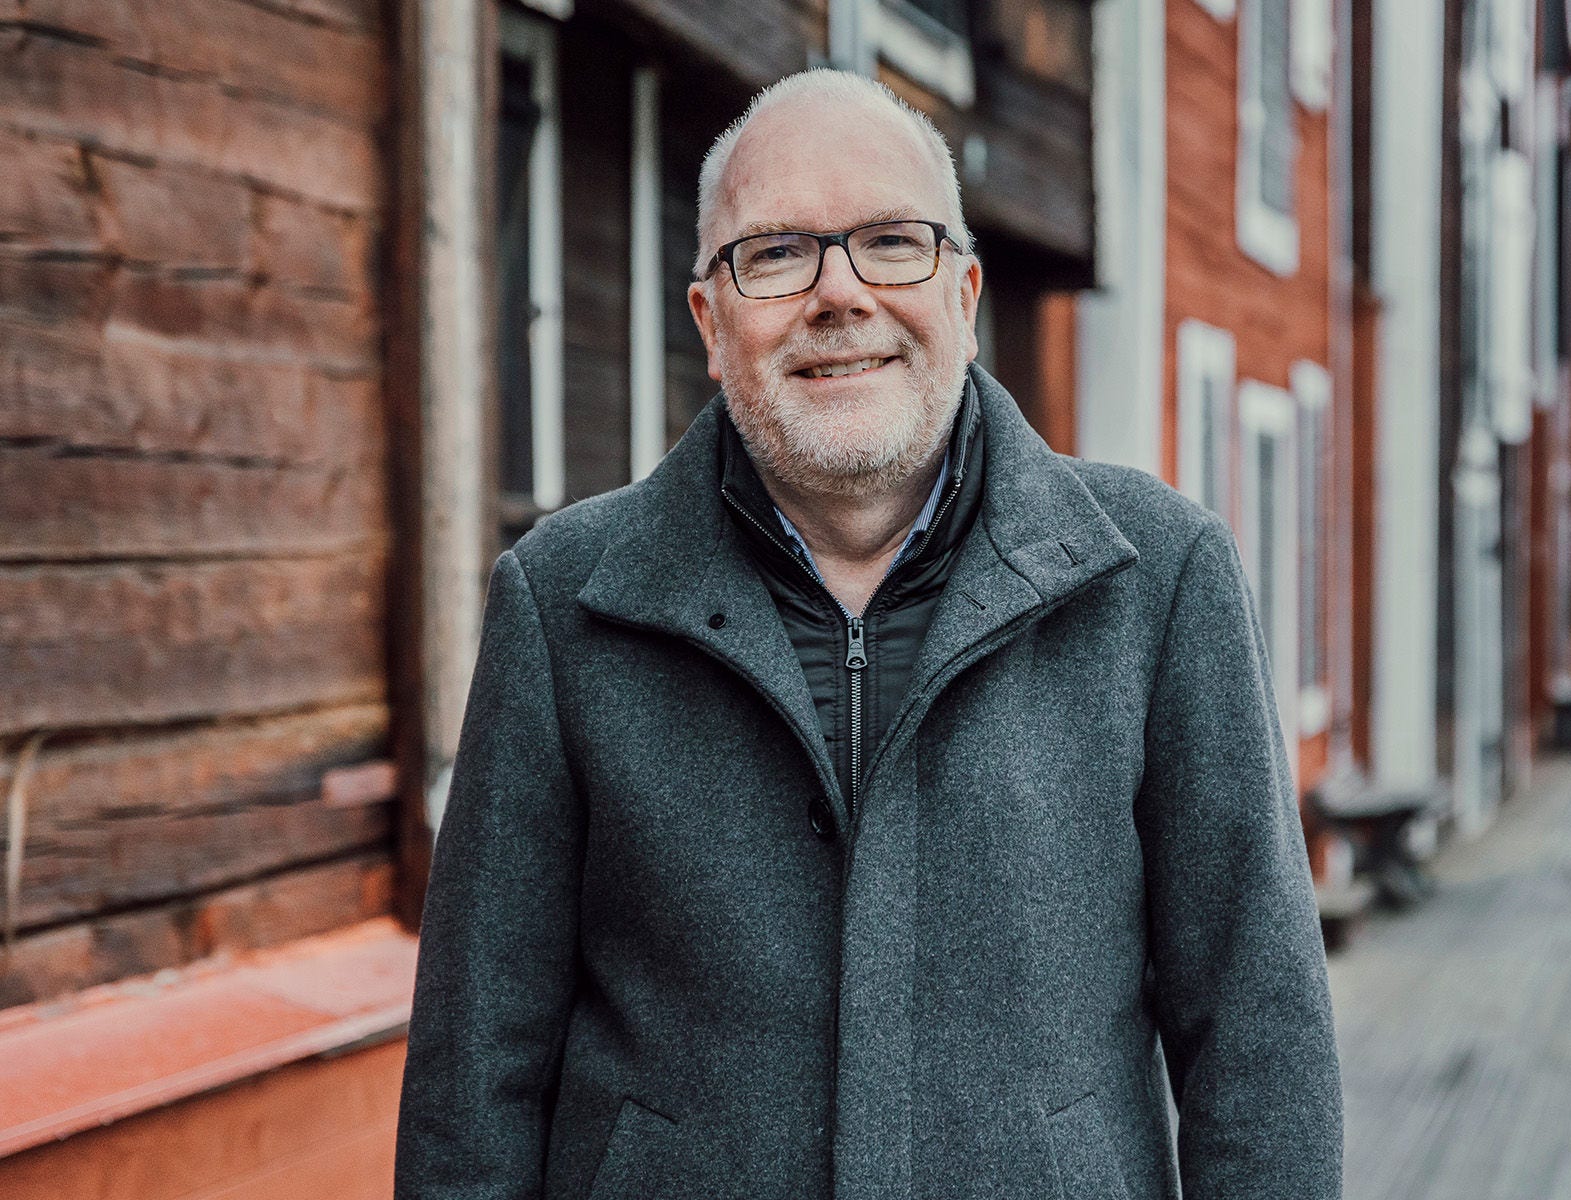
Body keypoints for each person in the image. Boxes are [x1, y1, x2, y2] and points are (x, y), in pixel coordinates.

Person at [394, 69, 1342, 1200]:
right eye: (775, 253)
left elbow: (1258, 1040)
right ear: (709, 321)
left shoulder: (1159, 578)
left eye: (892, 242)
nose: (838, 294)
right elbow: (474, 1079)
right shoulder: (562, 601)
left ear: (964, 294)